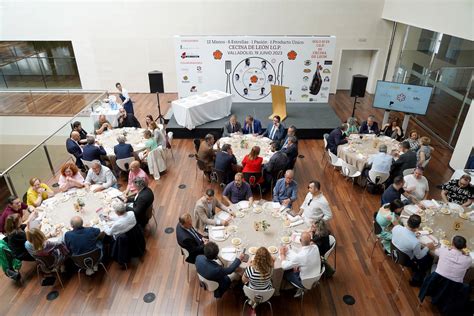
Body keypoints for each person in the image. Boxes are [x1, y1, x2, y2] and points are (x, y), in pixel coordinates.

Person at [392, 215, 434, 286]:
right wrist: (427, 247)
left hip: (394, 251)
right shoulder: (415, 242)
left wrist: (413, 235)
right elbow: (419, 257)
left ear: (408, 221)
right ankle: (416, 279)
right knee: (429, 258)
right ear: (417, 227)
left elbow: (402, 237)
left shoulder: (396, 227)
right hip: (405, 260)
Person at [280, 232, 321, 297]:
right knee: (295, 266)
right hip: (316, 277)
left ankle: (286, 290)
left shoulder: (300, 256)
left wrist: (282, 254)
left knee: (285, 272)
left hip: (304, 282)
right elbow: (305, 259)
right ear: (310, 241)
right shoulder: (315, 247)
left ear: (300, 241)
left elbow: (284, 266)